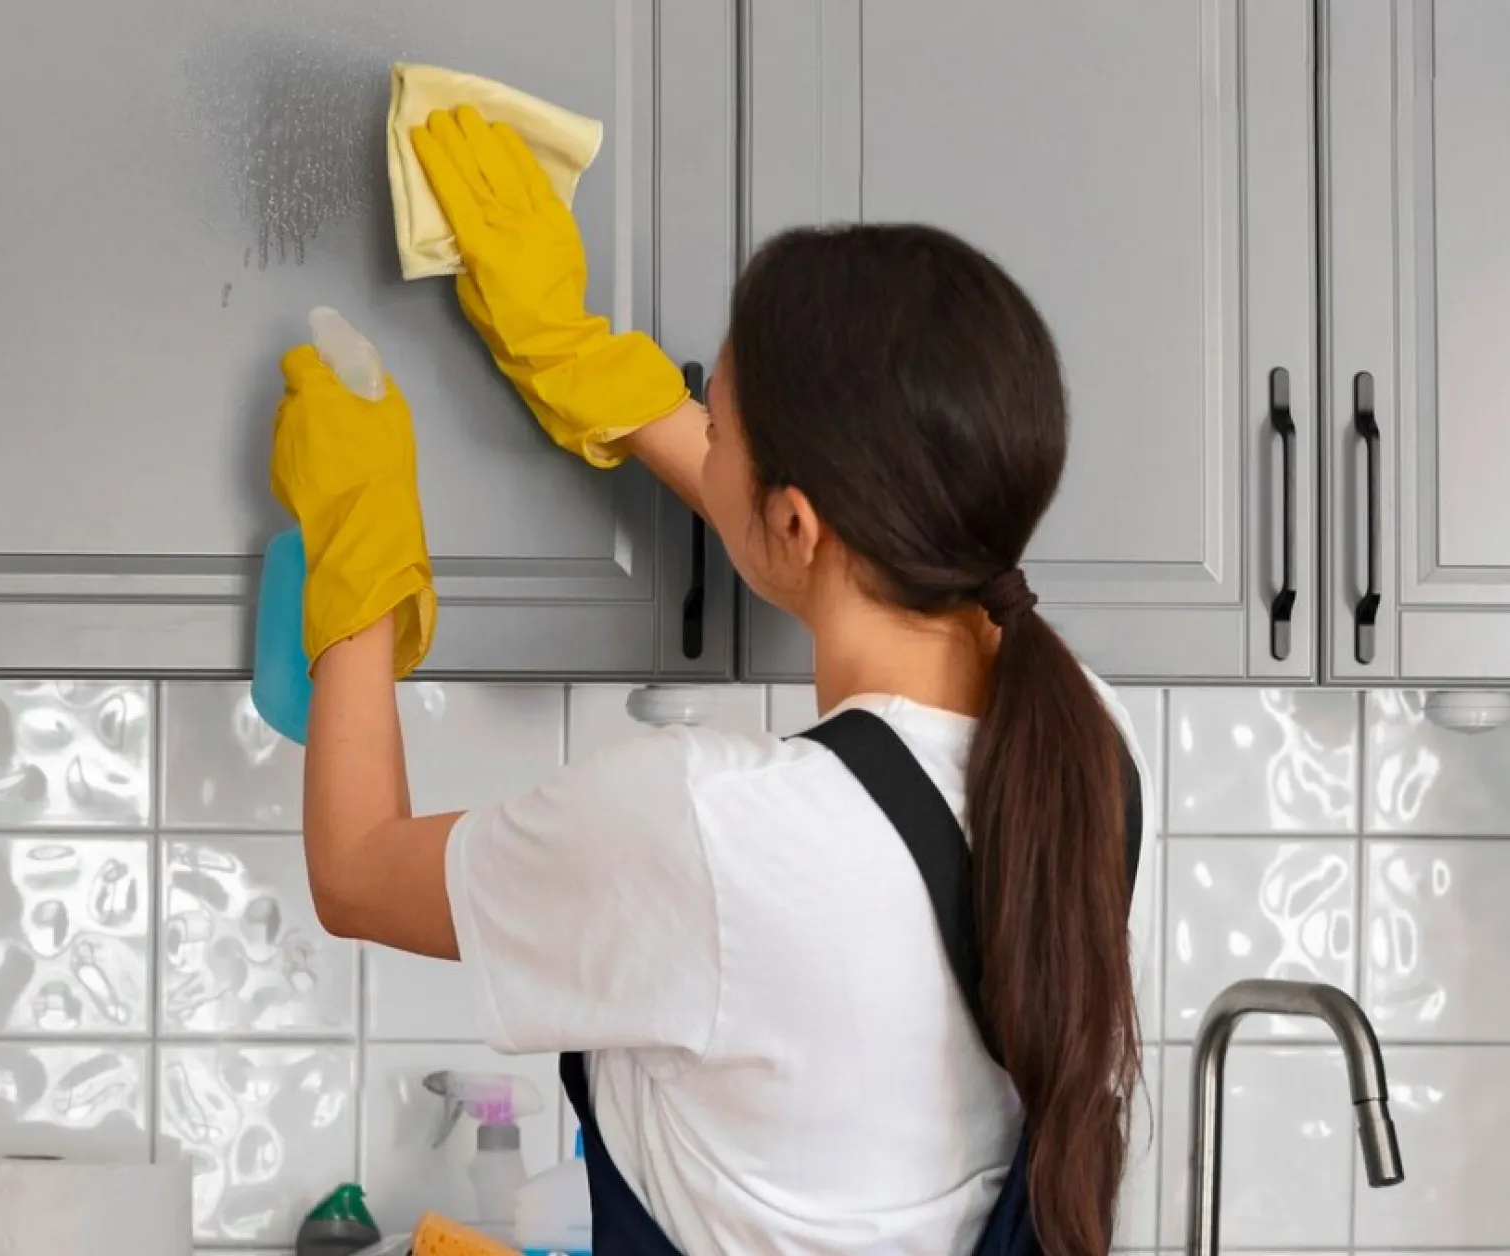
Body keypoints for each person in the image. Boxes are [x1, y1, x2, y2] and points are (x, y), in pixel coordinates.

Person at [268, 106, 1153, 1256]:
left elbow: (354, 871)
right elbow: (841, 542)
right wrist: (577, 356)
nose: (702, 433)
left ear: (795, 521)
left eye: (715, 420)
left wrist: (357, 545)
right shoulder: (1089, 744)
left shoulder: (710, 830)